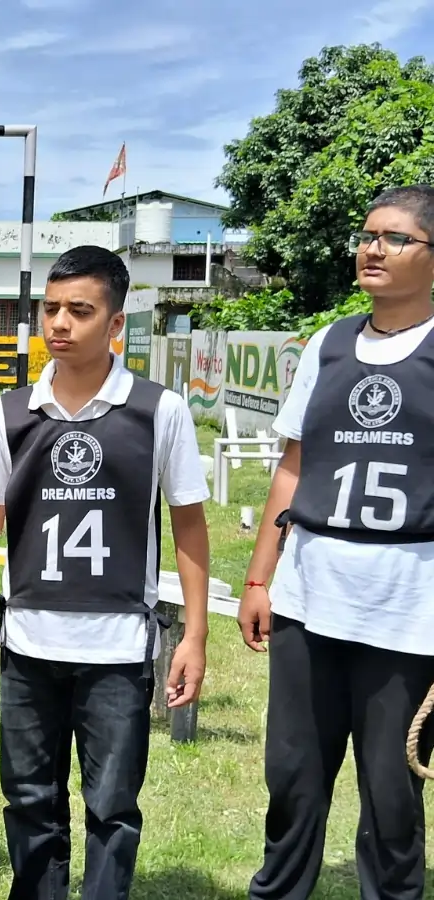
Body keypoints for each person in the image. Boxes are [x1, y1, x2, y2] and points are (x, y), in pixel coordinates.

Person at [0, 245, 211, 899]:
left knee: (111, 808)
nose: (59, 323)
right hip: (27, 645)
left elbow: (190, 526)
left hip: (117, 649)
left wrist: (194, 634)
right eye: (50, 309)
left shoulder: (157, 412)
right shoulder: (13, 411)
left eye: (79, 311)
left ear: (115, 323)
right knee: (28, 802)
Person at [239, 185, 434, 900]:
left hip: (408, 606)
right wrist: (260, 580)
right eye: (366, 235)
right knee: (292, 779)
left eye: (395, 238)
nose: (372, 249)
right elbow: (293, 464)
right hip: (310, 593)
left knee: (390, 795)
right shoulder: (328, 342)